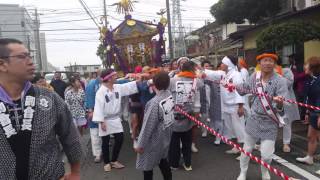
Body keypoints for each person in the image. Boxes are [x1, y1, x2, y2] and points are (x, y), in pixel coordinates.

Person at [0, 38, 82, 179]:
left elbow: (70, 136)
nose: (31, 61)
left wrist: (75, 172)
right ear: (2, 65)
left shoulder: (49, 97)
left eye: (29, 56)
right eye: (22, 57)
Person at [237, 52, 289, 180]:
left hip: (270, 121)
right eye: (265, 60)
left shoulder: (280, 80)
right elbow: (244, 89)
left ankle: (265, 172)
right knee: (247, 149)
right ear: (259, 63)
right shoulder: (255, 76)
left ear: (274, 64)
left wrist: (280, 103)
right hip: (254, 119)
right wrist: (232, 85)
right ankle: (242, 172)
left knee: (266, 155)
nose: (268, 63)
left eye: (271, 61)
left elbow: (283, 106)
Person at [92, 69, 141, 172]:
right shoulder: (100, 92)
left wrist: (138, 81)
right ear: (108, 78)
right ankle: (106, 162)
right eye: (114, 76)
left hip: (115, 118)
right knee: (105, 141)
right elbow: (98, 107)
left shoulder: (117, 87)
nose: (116, 77)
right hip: (105, 119)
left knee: (120, 139)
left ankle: (114, 160)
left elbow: (129, 87)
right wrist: (101, 121)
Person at [135, 71, 173, 180]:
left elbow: (148, 126)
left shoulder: (154, 103)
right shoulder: (169, 94)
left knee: (147, 166)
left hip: (154, 139)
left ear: (154, 84)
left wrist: (140, 144)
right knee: (163, 160)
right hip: (165, 134)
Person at [169, 61, 202, 171]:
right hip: (188, 116)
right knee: (187, 143)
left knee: (174, 143)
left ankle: (174, 164)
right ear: (192, 70)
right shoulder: (196, 81)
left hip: (174, 116)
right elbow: (201, 82)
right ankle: (187, 164)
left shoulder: (173, 80)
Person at [220, 56, 246, 155]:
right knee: (230, 129)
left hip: (235, 106)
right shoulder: (224, 74)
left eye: (223, 63)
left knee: (239, 128)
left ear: (228, 64)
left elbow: (240, 92)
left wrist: (240, 106)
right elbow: (212, 74)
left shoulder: (236, 75)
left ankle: (244, 152)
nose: (221, 65)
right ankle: (236, 147)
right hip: (226, 106)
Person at [296, 57, 320, 165]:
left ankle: (310, 156)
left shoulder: (318, 80)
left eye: (307, 65)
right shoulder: (309, 79)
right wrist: (306, 112)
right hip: (312, 111)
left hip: (318, 112)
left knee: (315, 136)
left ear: (313, 67)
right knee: (311, 136)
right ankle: (310, 157)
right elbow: (307, 97)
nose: (304, 66)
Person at [282, 65, 300, 153]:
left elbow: (289, 83)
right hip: (271, 100)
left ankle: (286, 143)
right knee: (269, 121)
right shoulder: (265, 71)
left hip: (285, 100)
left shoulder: (286, 71)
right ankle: (268, 142)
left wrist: (277, 75)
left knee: (286, 121)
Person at [85, 69, 102, 163]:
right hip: (94, 111)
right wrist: (90, 110)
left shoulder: (104, 83)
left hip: (104, 112)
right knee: (95, 133)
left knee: (103, 133)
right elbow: (88, 97)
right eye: (96, 73)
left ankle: (103, 150)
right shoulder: (91, 84)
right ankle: (97, 154)